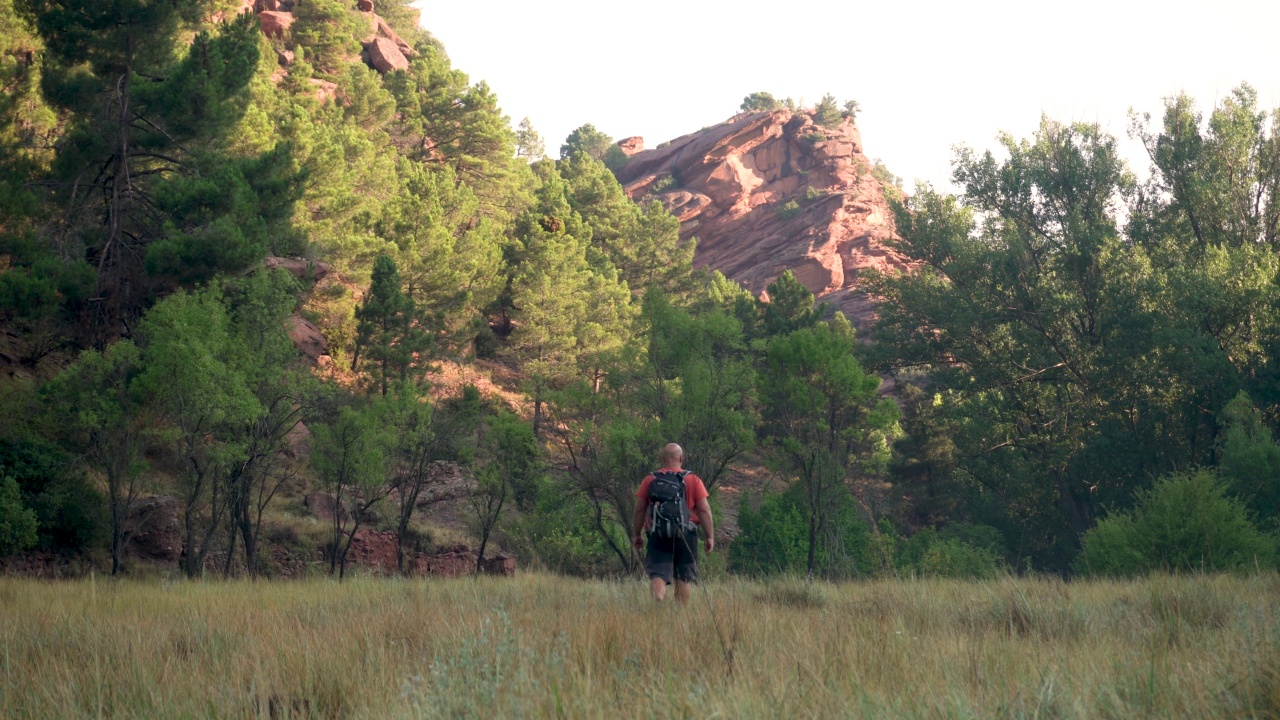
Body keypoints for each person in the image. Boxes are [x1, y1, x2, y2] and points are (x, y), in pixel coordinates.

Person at [632, 443, 714, 602]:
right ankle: (679, 613)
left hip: (658, 533)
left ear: (663, 459)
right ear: (681, 458)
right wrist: (710, 536)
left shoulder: (650, 479)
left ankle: (658, 598)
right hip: (686, 534)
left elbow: (639, 510)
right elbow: (704, 510)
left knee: (657, 572)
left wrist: (637, 534)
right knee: (684, 575)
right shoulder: (693, 480)